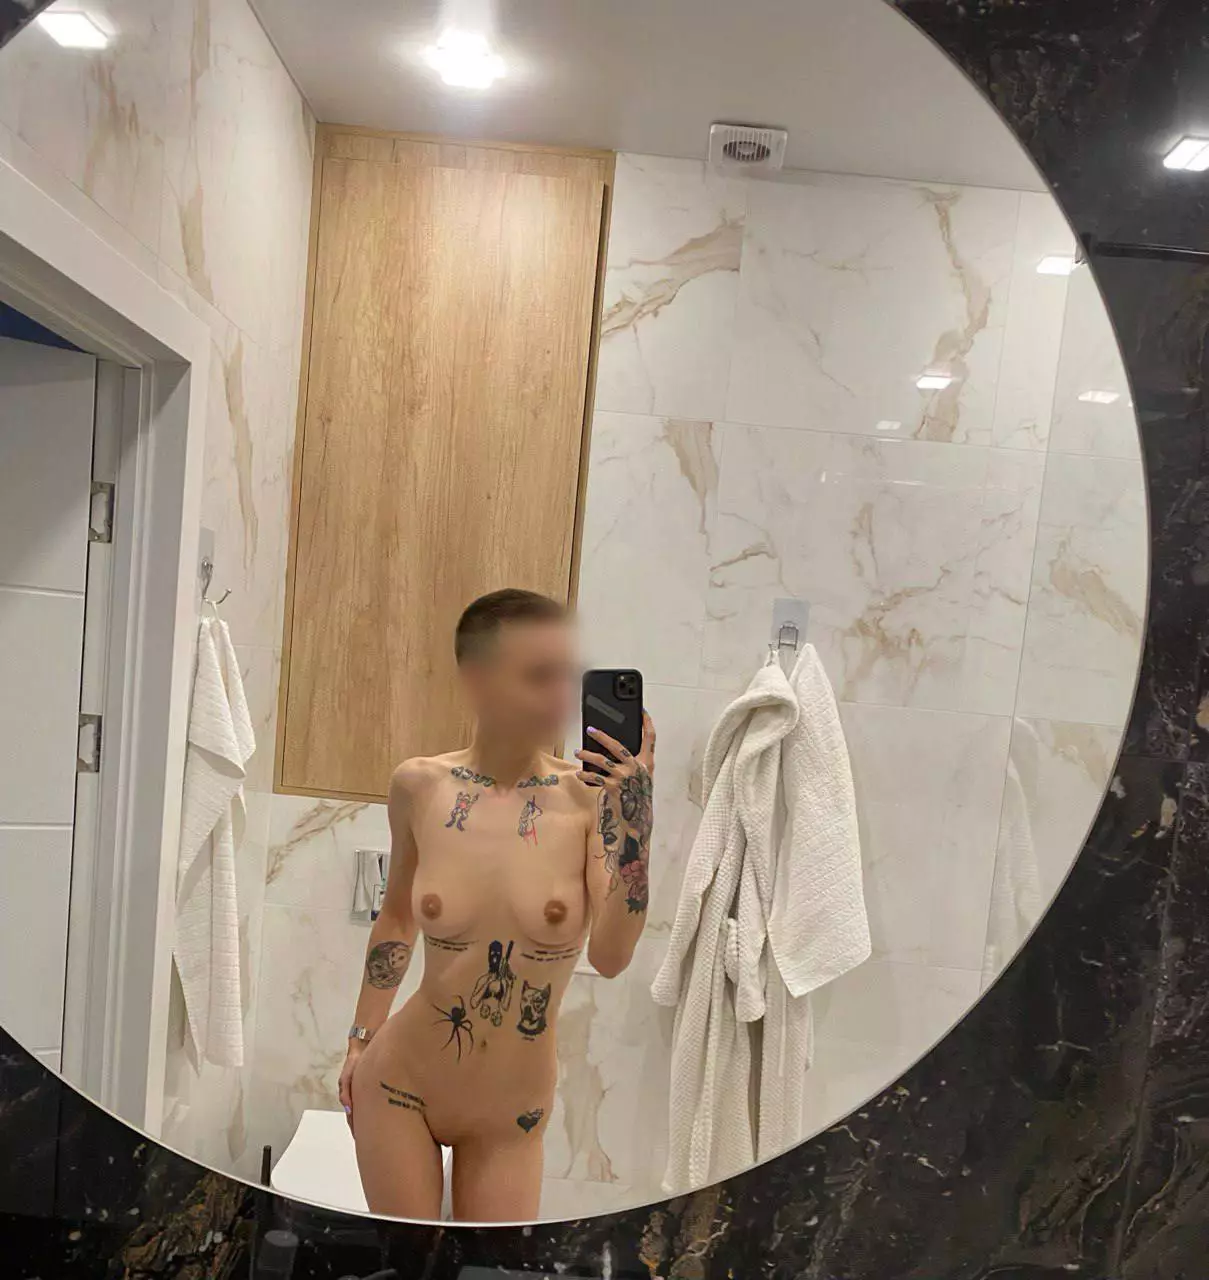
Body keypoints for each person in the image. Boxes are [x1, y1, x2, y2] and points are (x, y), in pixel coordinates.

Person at [339, 588, 655, 1221]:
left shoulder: (586, 802)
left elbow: (612, 956)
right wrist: (358, 1041)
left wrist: (635, 823)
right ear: (477, 680)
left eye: (565, 675)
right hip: (399, 1085)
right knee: (408, 1266)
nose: (560, 696)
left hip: (512, 1111)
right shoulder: (420, 786)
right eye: (538, 676)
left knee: (491, 1267)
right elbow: (396, 919)